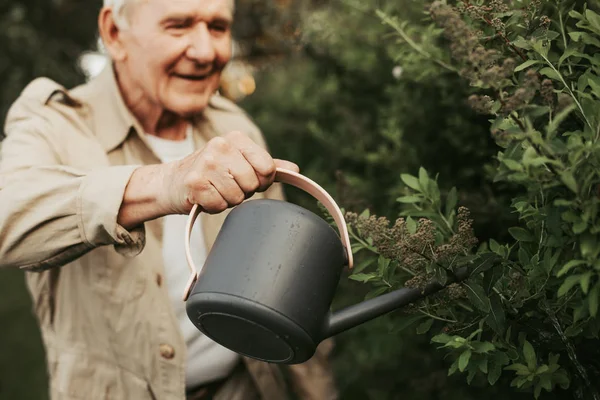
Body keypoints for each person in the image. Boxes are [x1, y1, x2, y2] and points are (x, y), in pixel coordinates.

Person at [0, 0, 338, 399]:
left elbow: (288, 287)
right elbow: (8, 216)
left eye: (217, 27)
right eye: (178, 25)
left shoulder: (233, 126)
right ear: (113, 33)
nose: (205, 51)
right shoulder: (54, 123)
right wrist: (167, 182)